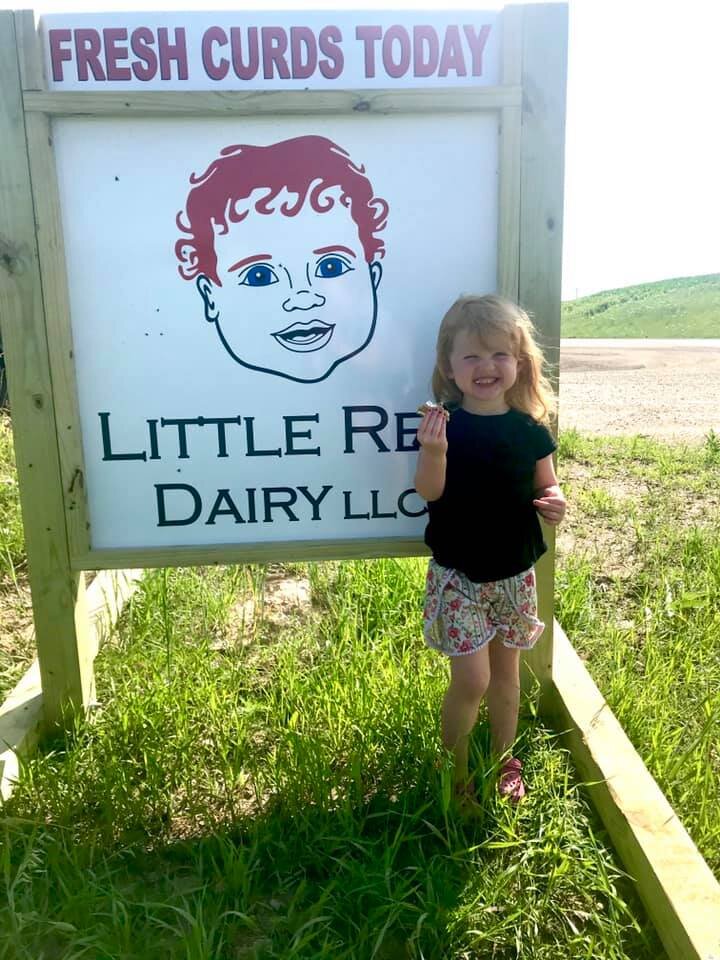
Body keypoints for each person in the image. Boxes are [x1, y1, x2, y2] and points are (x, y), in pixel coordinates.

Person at [414, 294, 566, 811]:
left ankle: (505, 758)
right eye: (472, 357)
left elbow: (547, 484)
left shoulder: (529, 429)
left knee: (506, 675)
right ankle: (454, 770)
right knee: (472, 678)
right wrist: (434, 453)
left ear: (519, 364)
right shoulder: (446, 425)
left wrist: (555, 502)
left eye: (500, 355)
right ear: (449, 368)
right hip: (458, 574)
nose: (486, 367)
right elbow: (429, 493)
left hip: (515, 574)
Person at [175, 135, 388, 384]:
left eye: (331, 266)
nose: (303, 299)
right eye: (260, 276)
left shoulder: (393, 371)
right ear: (209, 296)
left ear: (373, 277)